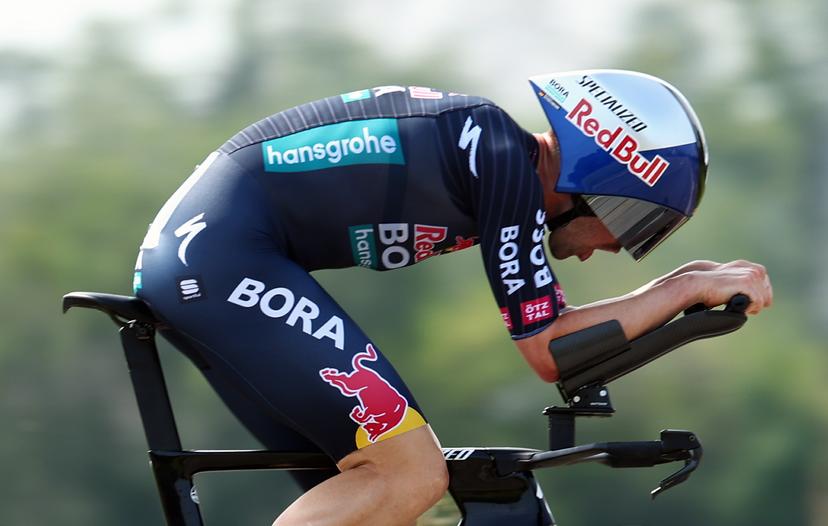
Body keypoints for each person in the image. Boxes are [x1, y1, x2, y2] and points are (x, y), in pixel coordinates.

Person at [132, 70, 772, 525]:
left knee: (410, 507)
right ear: (604, 181)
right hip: (219, 259)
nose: (611, 249)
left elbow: (559, 337)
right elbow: (550, 350)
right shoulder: (500, 159)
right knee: (410, 474)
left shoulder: (491, 153)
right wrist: (684, 287)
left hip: (218, 256)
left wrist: (680, 295)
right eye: (636, 226)